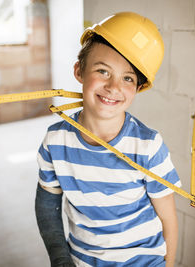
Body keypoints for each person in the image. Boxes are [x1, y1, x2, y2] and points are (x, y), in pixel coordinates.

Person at [35, 12, 181, 267]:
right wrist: (59, 258)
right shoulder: (55, 140)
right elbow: (48, 205)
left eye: (128, 78)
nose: (114, 87)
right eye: (103, 71)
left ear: (137, 88)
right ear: (79, 70)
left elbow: (168, 219)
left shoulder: (147, 146)